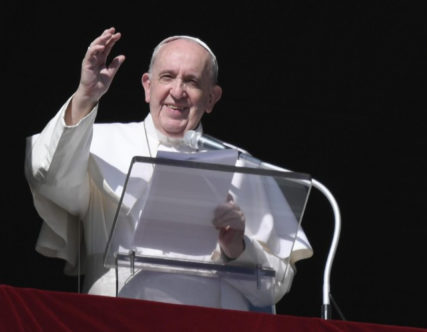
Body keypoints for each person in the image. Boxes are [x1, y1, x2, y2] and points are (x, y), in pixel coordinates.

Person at [24, 27, 313, 311]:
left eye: (192, 82)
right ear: (148, 86)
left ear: (212, 98)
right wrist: (85, 96)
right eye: (167, 77)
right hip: (119, 318)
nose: (177, 91)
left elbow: (277, 286)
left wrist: (237, 247)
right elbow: (48, 177)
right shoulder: (97, 143)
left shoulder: (243, 166)